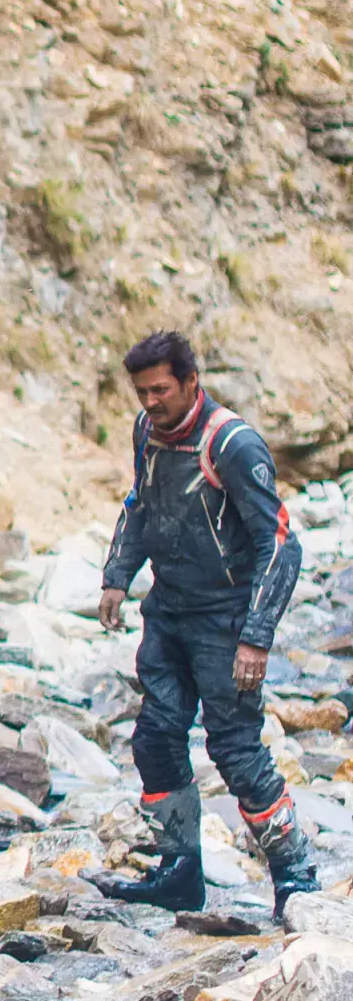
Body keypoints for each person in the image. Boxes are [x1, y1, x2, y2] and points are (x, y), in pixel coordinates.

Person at [95, 331, 317, 919]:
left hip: (226, 620)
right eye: (141, 391)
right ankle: (179, 873)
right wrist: (118, 574)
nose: (150, 402)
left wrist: (256, 635)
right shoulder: (147, 433)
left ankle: (296, 877)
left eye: (160, 390)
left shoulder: (233, 445)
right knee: (155, 739)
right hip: (168, 611)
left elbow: (280, 545)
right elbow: (140, 503)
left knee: (237, 751)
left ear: (192, 382)